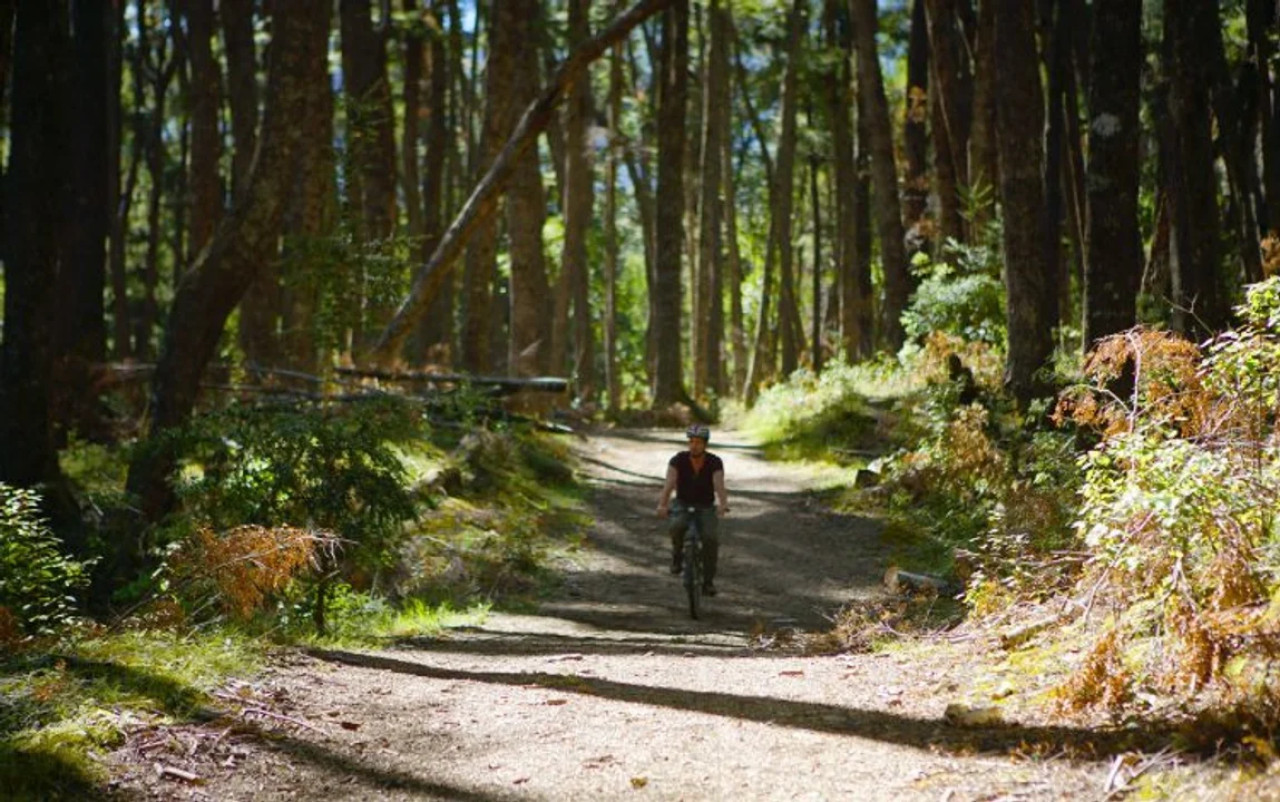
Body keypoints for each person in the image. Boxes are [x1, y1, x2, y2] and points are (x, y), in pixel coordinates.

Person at [656, 424, 729, 596]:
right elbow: (669, 484)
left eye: (698, 442)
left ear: (705, 444)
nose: (694, 445)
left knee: (710, 539)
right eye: (691, 442)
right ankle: (677, 556)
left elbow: (719, 485)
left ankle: (708, 582)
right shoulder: (678, 459)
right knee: (677, 526)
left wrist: (723, 503)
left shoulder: (714, 462)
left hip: (705, 506)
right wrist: (662, 505)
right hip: (682, 503)